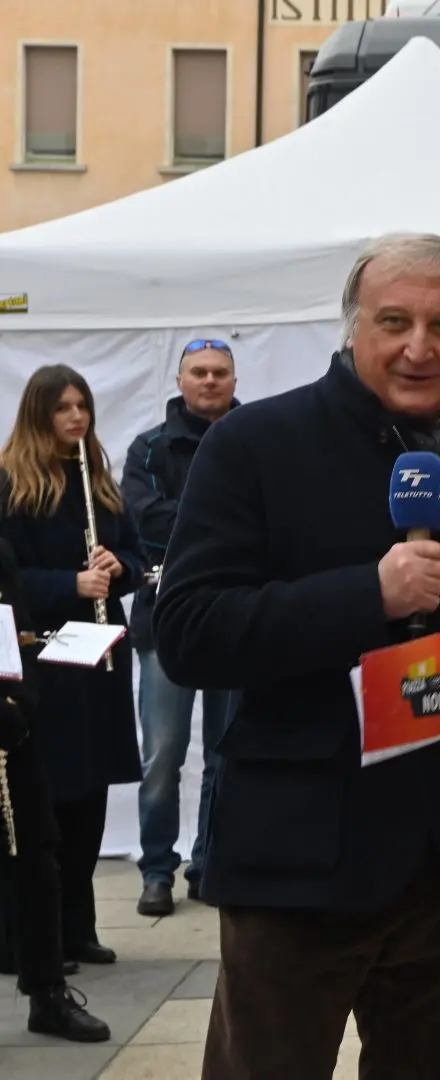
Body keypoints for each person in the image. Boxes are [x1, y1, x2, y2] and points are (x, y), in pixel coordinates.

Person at [151, 233, 440, 1079]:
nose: (418, 347)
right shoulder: (254, 446)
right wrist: (368, 595)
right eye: (394, 321)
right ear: (353, 326)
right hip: (297, 862)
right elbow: (188, 631)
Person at [0, 365, 143, 972]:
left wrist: (117, 567)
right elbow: (8, 580)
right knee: (49, 800)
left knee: (90, 796)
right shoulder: (11, 484)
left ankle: (78, 928)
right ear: (39, 413)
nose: (76, 417)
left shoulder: (97, 478)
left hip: (98, 656)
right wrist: (70, 584)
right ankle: (38, 937)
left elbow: (137, 555)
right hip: (45, 656)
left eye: (82, 405)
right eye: (62, 408)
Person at [123, 338, 242, 916]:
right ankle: (156, 870)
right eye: (199, 372)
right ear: (180, 380)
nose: (209, 381)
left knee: (227, 752)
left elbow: (270, 516)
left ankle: (208, 864)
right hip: (165, 620)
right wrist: (225, 523)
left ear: (234, 380)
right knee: (162, 757)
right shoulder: (149, 447)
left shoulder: (256, 439)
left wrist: (193, 526)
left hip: (237, 616)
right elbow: (144, 522)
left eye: (219, 372)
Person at [0, 536, 112, 1042]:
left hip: (12, 723)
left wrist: (21, 702)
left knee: (37, 857)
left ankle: (46, 994)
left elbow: (17, 627)